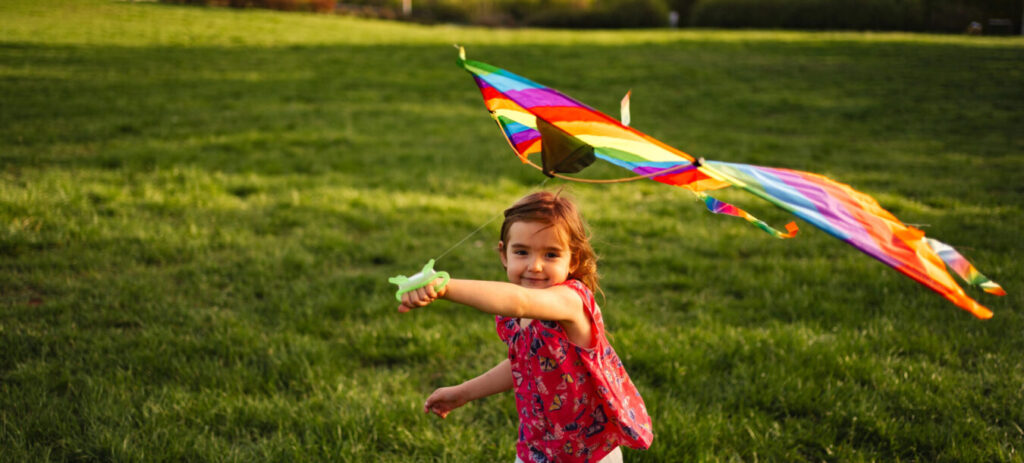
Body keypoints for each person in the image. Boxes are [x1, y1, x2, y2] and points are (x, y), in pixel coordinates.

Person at [398, 190, 653, 463]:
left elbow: (520, 301)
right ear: (503, 254)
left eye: (551, 254)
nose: (535, 266)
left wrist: (444, 287)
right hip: (539, 447)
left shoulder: (570, 301)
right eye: (521, 252)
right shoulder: (520, 318)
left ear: (573, 260)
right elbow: (524, 364)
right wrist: (464, 392)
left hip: (589, 454)